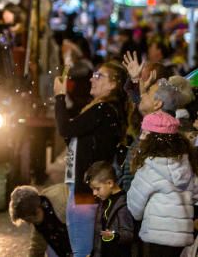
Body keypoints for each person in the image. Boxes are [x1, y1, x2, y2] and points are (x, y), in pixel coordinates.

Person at [54, 62, 128, 257]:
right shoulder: (102, 110)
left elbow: (65, 129)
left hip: (86, 190)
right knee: (82, 247)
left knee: (81, 250)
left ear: (112, 85)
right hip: (84, 186)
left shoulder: (103, 109)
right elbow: (71, 134)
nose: (91, 79)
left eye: (99, 76)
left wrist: (59, 96)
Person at [127, 111, 198, 256]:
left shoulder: (149, 169)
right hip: (183, 236)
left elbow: (135, 207)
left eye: (144, 133)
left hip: (157, 235)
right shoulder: (187, 165)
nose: (140, 137)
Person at [9, 183, 72, 257]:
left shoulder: (65, 204)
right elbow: (37, 247)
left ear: (37, 210)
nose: (29, 223)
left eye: (29, 219)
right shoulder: (41, 223)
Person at [85, 161, 133, 257]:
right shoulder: (103, 201)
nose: (94, 193)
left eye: (97, 189)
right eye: (92, 189)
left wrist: (114, 235)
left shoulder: (123, 205)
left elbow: (129, 234)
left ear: (110, 183)